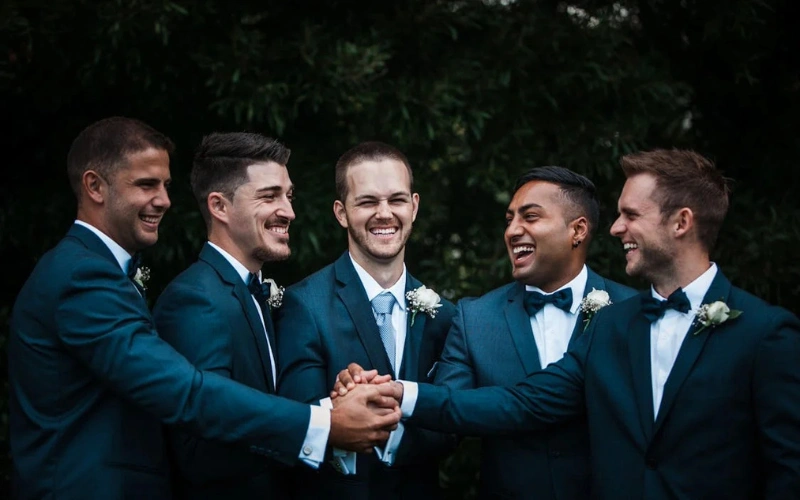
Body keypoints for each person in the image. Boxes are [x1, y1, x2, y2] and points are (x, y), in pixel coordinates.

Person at [346, 149, 800, 499]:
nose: (617, 228)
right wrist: (398, 392)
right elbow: (523, 403)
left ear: (682, 222)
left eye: (631, 215)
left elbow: (786, 468)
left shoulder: (767, 333)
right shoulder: (613, 327)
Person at [7, 117, 401, 500]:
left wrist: (332, 403)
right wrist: (326, 424)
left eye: (165, 185)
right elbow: (187, 394)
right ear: (94, 186)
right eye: (147, 185)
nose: (163, 200)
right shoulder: (86, 276)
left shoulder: (106, 273)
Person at [432, 166, 635, 499]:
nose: (513, 231)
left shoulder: (630, 311)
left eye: (530, 217)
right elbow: (446, 416)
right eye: (509, 219)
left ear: (578, 230)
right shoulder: (475, 317)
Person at [275, 141, 457, 499]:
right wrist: (339, 406)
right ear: (342, 213)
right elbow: (295, 418)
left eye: (397, 200)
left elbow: (453, 422)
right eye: (368, 201)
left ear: (415, 206)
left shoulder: (444, 315)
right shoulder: (303, 304)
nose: (384, 213)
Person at [152, 132, 301, 498]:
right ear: (219, 207)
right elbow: (201, 451)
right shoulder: (194, 300)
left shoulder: (259, 293)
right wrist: (317, 431)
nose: (289, 211)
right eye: (269, 196)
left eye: (288, 195)